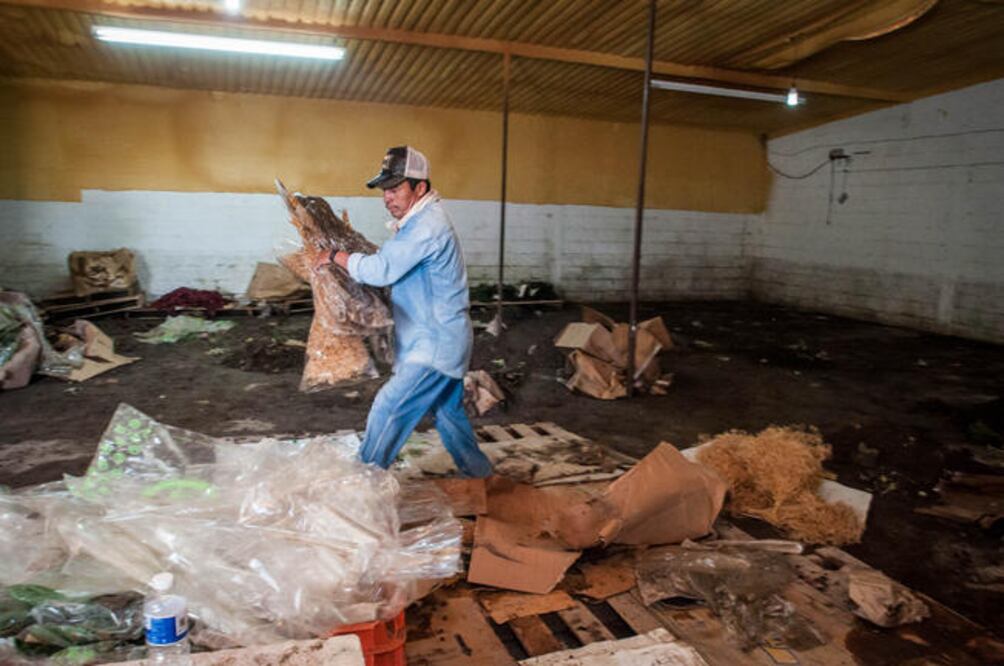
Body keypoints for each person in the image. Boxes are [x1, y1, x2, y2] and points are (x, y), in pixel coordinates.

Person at [314, 146, 492, 478]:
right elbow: (394, 268)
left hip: (434, 347)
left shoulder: (427, 226)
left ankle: (364, 484)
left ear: (419, 188)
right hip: (442, 339)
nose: (388, 197)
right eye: (385, 190)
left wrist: (335, 257)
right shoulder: (416, 224)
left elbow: (382, 269)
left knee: (390, 407)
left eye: (395, 189)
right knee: (448, 414)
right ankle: (481, 476)